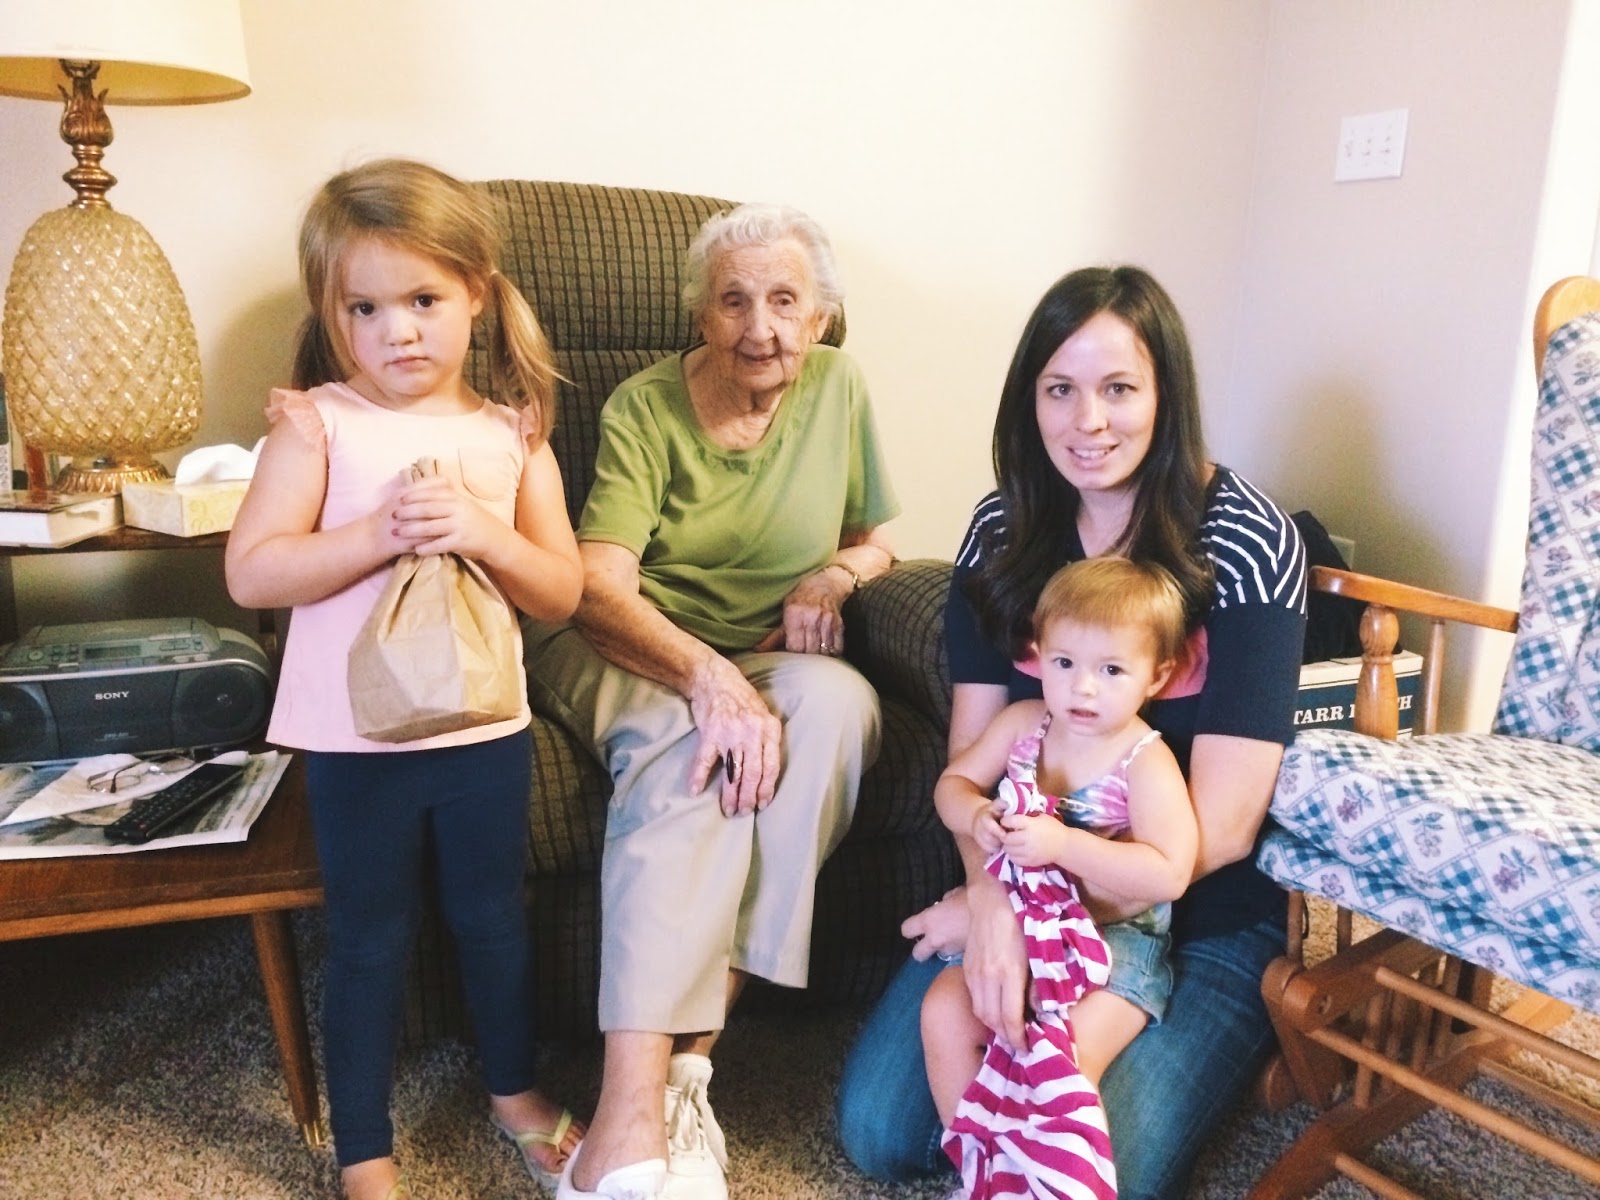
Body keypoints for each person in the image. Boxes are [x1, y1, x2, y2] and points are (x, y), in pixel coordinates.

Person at [836, 265, 1307, 1200]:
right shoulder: (1002, 531)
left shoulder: (1247, 541)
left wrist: (1031, 911)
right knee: (883, 1132)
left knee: (1093, 1165)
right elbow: (973, 771)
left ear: (1166, 395)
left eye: (1119, 388)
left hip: (1190, 918)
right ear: (1030, 399)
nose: (1088, 421)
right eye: (1060, 390)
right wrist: (993, 907)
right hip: (1025, 886)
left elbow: (1220, 829)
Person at [520, 202, 899, 1200]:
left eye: (784, 301)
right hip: (626, 640)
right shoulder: (644, 407)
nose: (759, 327)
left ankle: (687, 1074)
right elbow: (598, 586)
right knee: (688, 750)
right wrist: (707, 679)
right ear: (700, 314)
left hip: (757, 653)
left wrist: (834, 580)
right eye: (733, 301)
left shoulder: (840, 387)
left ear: (821, 318)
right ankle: (625, 1119)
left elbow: (874, 540)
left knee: (839, 710)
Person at [226, 159, 587, 1200]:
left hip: (482, 731)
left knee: (493, 918)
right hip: (356, 744)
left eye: (424, 300)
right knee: (368, 938)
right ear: (332, 315)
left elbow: (561, 590)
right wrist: (375, 535)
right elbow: (253, 570)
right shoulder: (317, 423)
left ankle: (514, 1091)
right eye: (366, 308)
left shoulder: (512, 434)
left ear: (476, 292)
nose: (399, 333)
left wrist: (484, 532)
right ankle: (364, 1150)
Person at [928, 557, 1196, 1200]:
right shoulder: (1024, 726)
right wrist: (977, 814)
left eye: (1112, 670)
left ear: (1157, 675)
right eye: (1065, 663)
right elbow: (953, 784)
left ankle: (1055, 1183)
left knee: (1056, 1057)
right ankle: (987, 1174)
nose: (1083, 689)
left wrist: (1064, 844)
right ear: (1036, 656)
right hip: (1024, 922)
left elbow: (1170, 872)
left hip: (1117, 944)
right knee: (943, 1012)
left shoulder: (1144, 760)